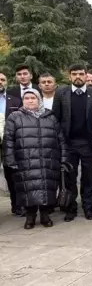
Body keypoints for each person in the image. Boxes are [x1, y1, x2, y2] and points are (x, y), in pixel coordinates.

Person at [3, 88, 67, 229]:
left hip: (48, 160)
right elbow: (8, 140)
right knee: (27, 190)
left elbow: (61, 140)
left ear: (39, 100)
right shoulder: (15, 117)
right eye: (27, 98)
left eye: (33, 98)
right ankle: (30, 217)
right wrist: (9, 160)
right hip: (25, 161)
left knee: (46, 188)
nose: (30, 100)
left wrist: (63, 159)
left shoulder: (50, 117)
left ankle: (45, 216)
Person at [52, 64, 92, 221]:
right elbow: (56, 118)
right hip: (69, 144)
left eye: (81, 74)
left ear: (86, 75)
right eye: (74, 74)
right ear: (69, 76)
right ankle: (71, 208)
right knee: (70, 177)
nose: (78, 76)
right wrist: (60, 140)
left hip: (89, 143)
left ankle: (88, 207)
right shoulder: (61, 93)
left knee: (88, 177)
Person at [0, 72, 24, 216]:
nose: (0, 82)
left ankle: (16, 205)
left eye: (2, 80)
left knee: (12, 175)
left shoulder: (15, 101)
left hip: (11, 143)